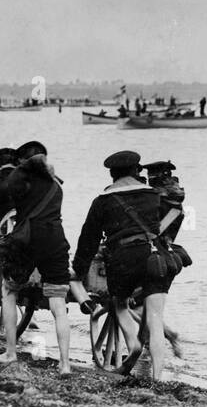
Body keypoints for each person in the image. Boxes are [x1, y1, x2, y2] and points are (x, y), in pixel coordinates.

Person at [72, 150, 185, 381]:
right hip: (155, 257)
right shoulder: (154, 196)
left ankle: (133, 344)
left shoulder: (102, 201)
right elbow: (171, 221)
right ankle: (157, 377)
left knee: (119, 304)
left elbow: (88, 240)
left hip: (123, 259)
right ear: (136, 171)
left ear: (112, 175)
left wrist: (79, 270)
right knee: (155, 319)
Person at [0, 141, 90, 376]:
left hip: (28, 238)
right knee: (58, 303)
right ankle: (65, 364)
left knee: (10, 290)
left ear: (23, 160)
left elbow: (1, 195)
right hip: (56, 240)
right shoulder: (56, 184)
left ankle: (11, 352)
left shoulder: (20, 176)